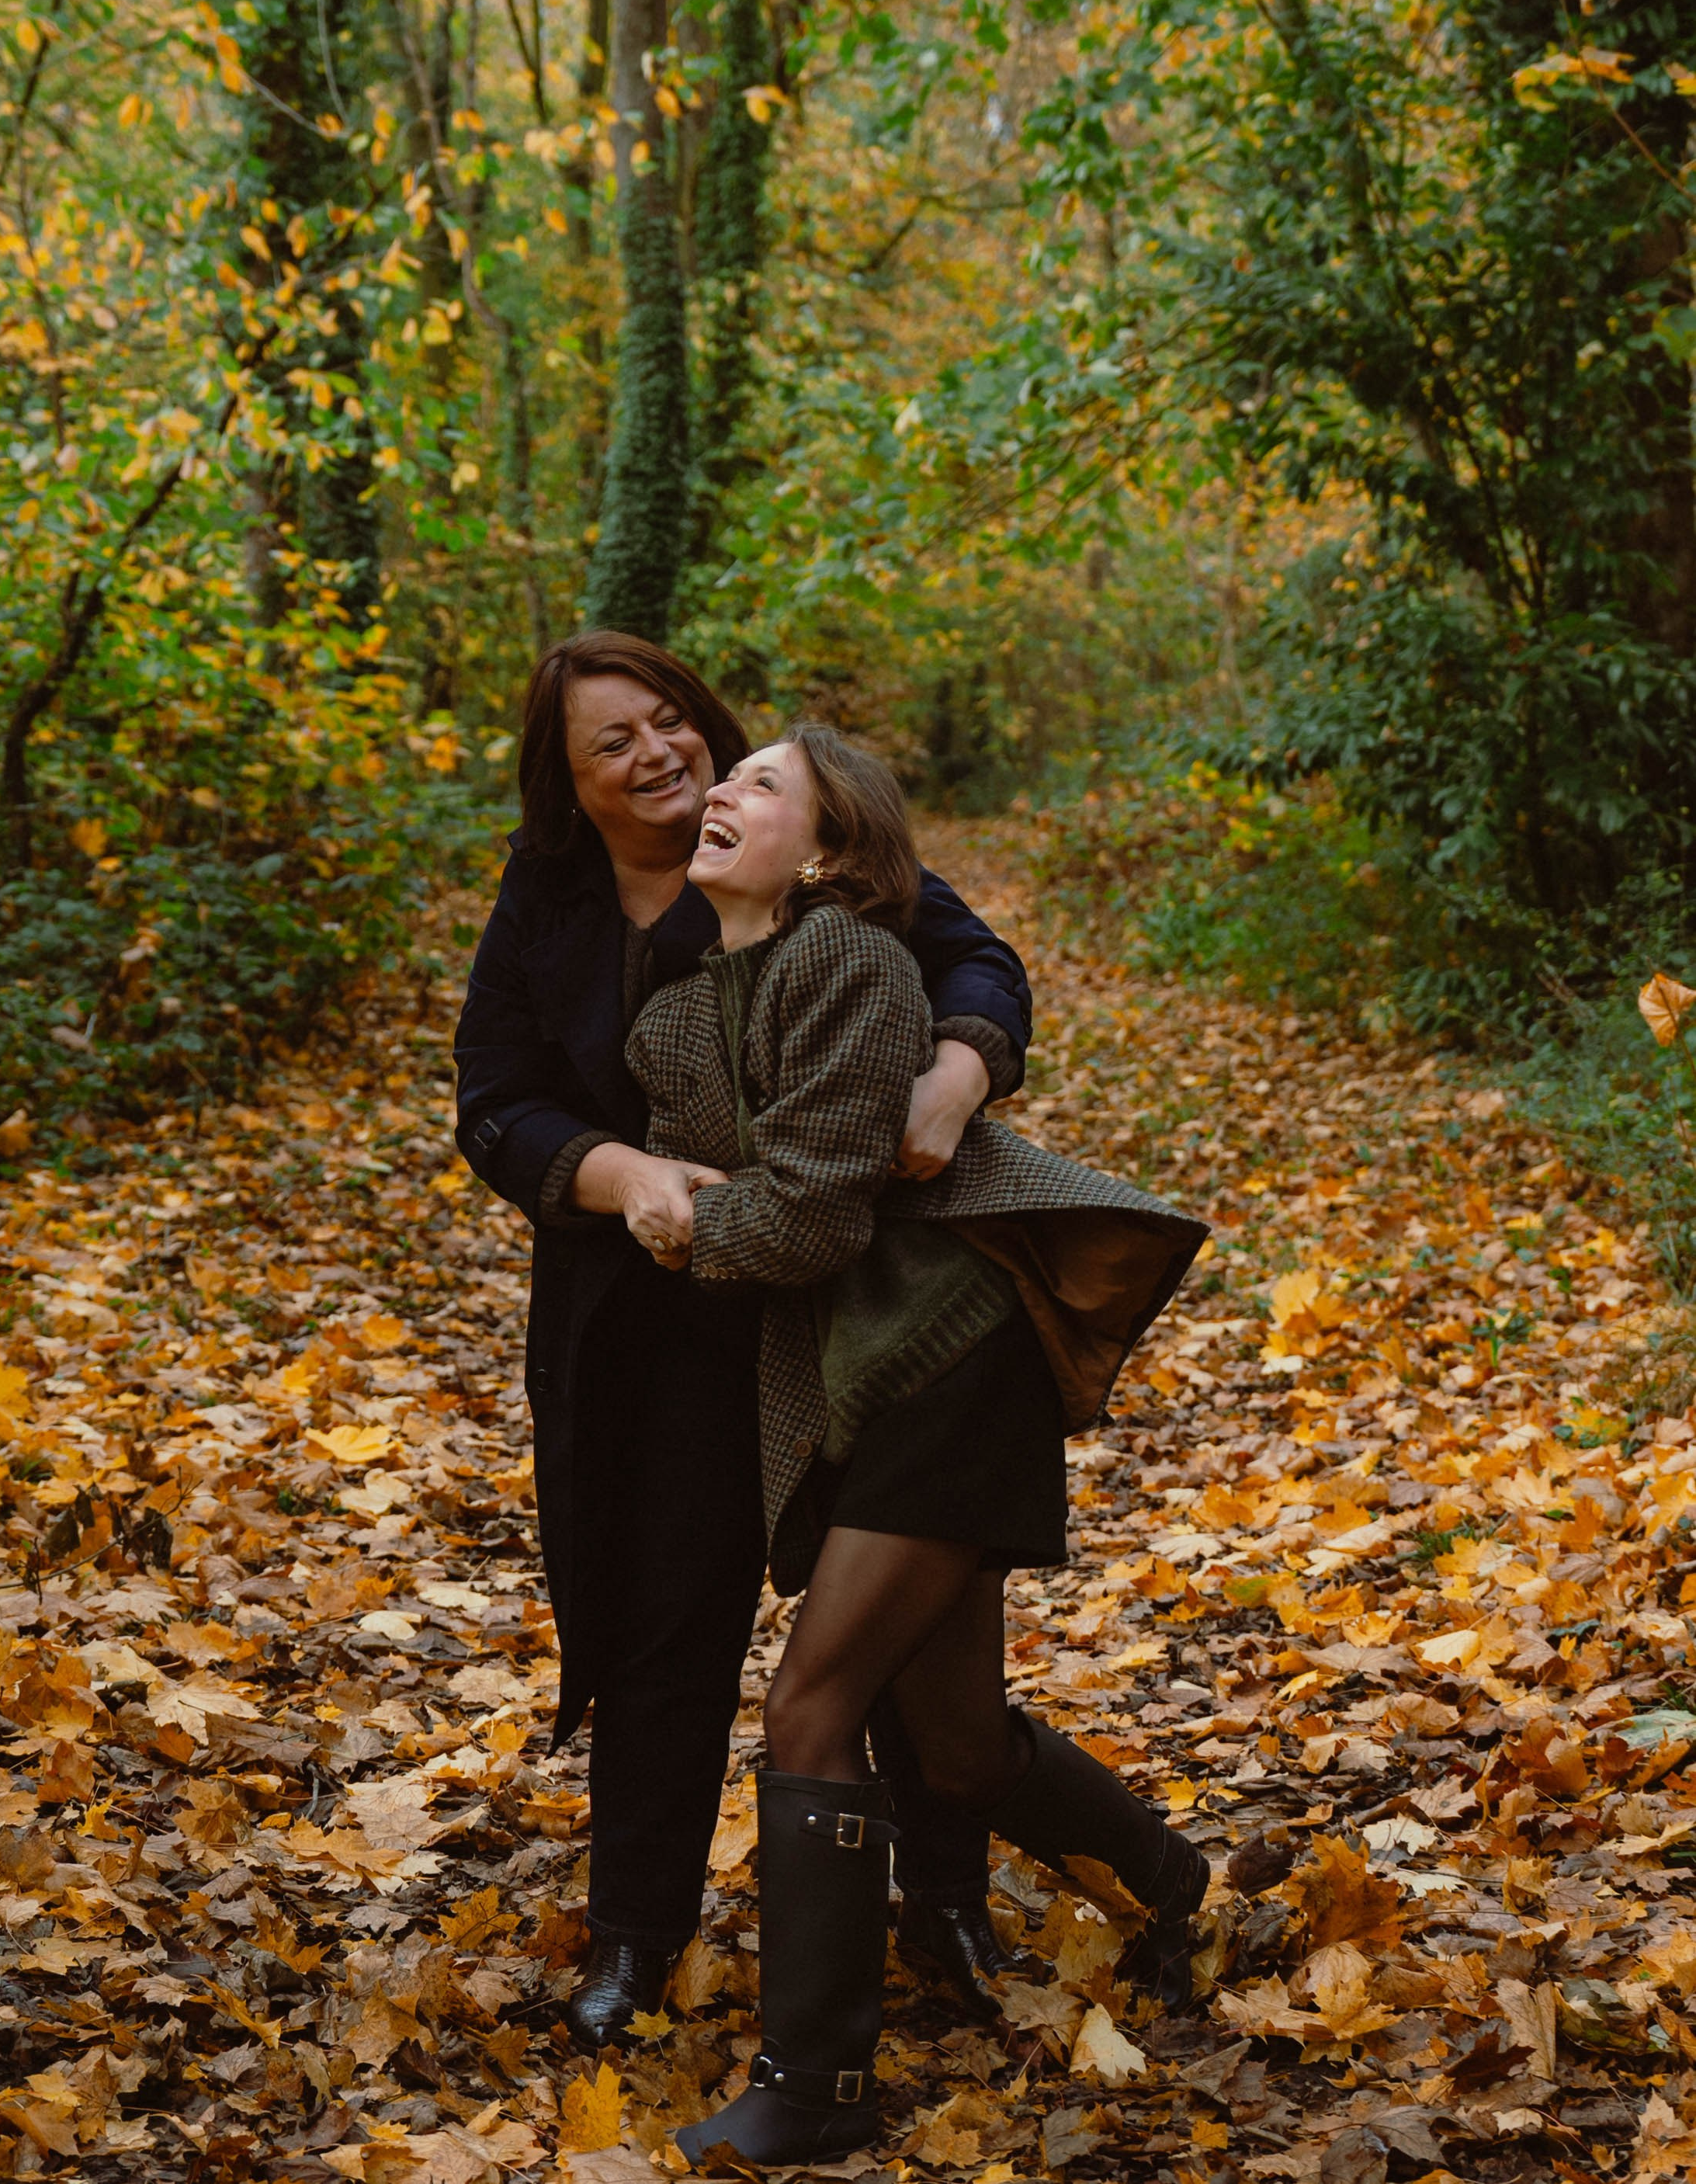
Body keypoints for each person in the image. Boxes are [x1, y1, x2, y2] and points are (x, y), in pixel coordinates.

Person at [619, 724, 1210, 2169]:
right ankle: (1169, 1873)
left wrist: (685, 1223)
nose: (722, 793)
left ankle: (817, 2086)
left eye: (763, 783)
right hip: (852, 1376)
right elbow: (747, 1185)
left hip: (948, 1356)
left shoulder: (850, 962)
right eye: (729, 776)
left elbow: (805, 1214)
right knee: (949, 1750)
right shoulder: (678, 1013)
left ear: (823, 850)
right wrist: (664, 1194)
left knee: (812, 1706)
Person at [453, 633, 1038, 2043]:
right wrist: (625, 1176)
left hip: (854, 1309)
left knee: (897, 1625)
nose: (658, 754)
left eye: (671, 722)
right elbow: (496, 1100)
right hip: (655, 1318)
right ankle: (636, 1936)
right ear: (569, 782)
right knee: (664, 1623)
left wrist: (952, 1081)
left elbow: (976, 959)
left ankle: (945, 1900)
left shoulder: (802, 842)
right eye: (615, 742)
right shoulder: (549, 900)